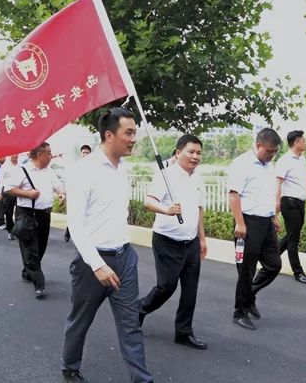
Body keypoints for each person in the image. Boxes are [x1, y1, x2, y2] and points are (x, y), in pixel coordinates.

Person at [61, 108, 153, 383]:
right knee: (81, 320)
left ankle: (142, 379)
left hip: (124, 259)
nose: (134, 138)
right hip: (93, 263)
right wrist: (97, 265)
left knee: (130, 324)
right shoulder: (83, 171)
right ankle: (70, 366)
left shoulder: (122, 169)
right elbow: (75, 224)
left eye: (135, 132)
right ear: (109, 135)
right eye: (129, 132)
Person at [139, 134, 208, 350]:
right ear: (178, 153)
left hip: (190, 243)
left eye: (198, 153)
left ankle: (183, 332)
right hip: (166, 241)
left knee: (190, 290)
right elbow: (148, 201)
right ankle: (140, 309)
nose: (195, 156)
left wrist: (202, 238)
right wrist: (167, 210)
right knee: (166, 286)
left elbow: (198, 209)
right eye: (191, 152)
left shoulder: (198, 179)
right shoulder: (165, 176)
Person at [227, 128, 282, 331]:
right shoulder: (241, 164)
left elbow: (267, 194)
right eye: (270, 151)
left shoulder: (269, 165)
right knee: (246, 270)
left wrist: (274, 217)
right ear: (259, 145)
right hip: (247, 223)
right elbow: (234, 196)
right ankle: (239, 312)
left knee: (274, 265)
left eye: (275, 152)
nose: (272, 155)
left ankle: (248, 296)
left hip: (266, 223)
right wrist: (240, 223)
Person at [3, 143, 66, 299]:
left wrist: (62, 194)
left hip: (44, 215)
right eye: (49, 153)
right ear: (40, 155)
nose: (52, 156)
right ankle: (39, 283)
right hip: (27, 214)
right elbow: (8, 189)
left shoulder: (49, 171)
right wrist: (28, 194)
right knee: (31, 249)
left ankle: (27, 272)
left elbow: (57, 185)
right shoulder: (22, 171)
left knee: (41, 247)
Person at [275, 130, 306, 285]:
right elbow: (278, 183)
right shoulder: (284, 160)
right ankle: (298, 272)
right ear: (296, 142)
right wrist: (277, 204)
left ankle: (271, 257)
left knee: (291, 235)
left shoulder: (302, 159)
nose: (305, 142)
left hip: (300, 203)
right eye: (303, 140)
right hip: (289, 202)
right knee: (294, 238)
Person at [64, 144, 92, 242]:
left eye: (87, 153)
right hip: (77, 193)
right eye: (84, 153)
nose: (85, 154)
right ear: (81, 154)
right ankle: (69, 230)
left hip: (89, 193)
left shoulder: (93, 166)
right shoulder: (76, 165)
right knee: (75, 213)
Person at [0, 154, 19, 240]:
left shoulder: (21, 165)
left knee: (20, 211)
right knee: (8, 211)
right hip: (8, 191)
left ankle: (18, 228)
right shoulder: (5, 166)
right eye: (12, 155)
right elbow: (0, 179)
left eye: (16, 154)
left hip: (19, 191)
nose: (14, 156)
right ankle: (10, 230)